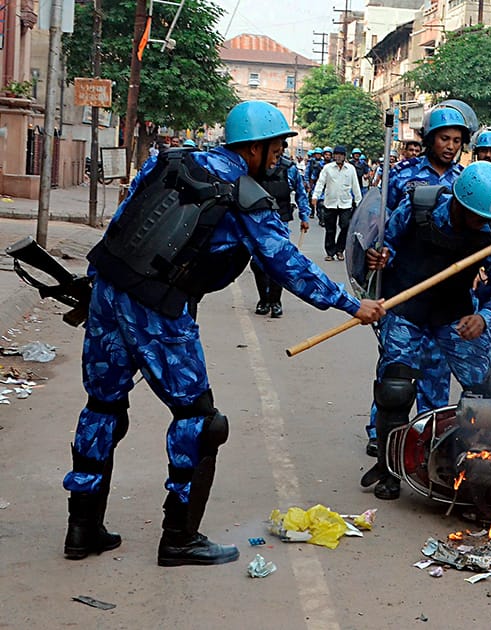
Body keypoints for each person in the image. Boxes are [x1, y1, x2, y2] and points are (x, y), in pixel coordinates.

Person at [64, 101, 385, 567]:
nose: (279, 154)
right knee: (200, 420)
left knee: (103, 406)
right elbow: (287, 264)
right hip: (158, 308)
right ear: (252, 148)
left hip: (108, 291)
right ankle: (179, 538)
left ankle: (82, 527)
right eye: (275, 146)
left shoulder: (169, 160)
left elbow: (124, 220)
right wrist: (352, 304)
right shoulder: (243, 195)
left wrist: (100, 286)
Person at [360, 162, 491, 500]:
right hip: (406, 308)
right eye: (476, 216)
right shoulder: (419, 209)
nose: (482, 224)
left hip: (452, 314)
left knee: (484, 389)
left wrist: (485, 317)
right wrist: (381, 257)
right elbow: (385, 243)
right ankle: (389, 469)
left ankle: (472, 463)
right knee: (396, 388)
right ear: (459, 204)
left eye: (487, 219)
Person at [362, 104, 473, 457]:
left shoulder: (465, 182)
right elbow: (381, 226)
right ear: (428, 139)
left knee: (436, 374)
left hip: (445, 293)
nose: (450, 146)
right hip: (405, 286)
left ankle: (427, 440)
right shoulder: (402, 175)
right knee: (394, 374)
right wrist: (380, 255)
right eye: (444, 138)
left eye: (457, 140)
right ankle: (382, 436)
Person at [251, 150, 311, 317]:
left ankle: (275, 301)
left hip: (280, 222)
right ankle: (264, 300)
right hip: (257, 222)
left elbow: (300, 193)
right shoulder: (255, 166)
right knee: (258, 263)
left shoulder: (289, 168)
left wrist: (304, 216)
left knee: (279, 262)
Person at [312, 145, 361, 261]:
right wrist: (315, 196)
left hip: (346, 203)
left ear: (344, 156)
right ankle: (330, 252)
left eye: (341, 155)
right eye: (337, 154)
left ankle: (340, 250)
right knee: (330, 229)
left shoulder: (350, 169)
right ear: (334, 156)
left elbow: (356, 186)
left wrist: (359, 202)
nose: (338, 157)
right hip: (330, 203)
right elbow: (320, 183)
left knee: (345, 226)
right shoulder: (327, 168)